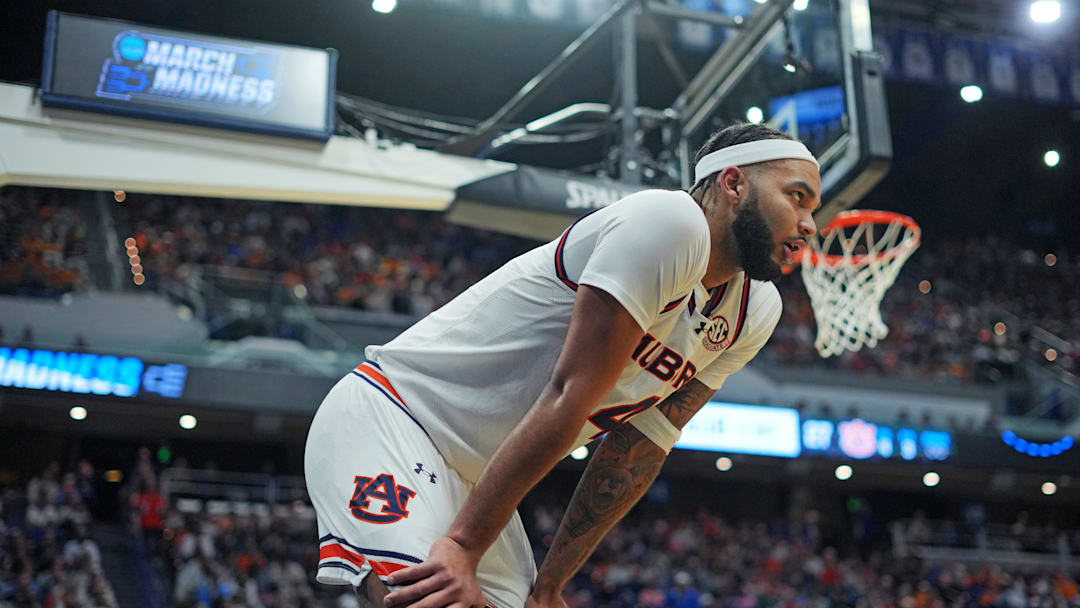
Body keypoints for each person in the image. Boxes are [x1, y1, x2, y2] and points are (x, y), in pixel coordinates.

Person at [304, 123, 820, 608]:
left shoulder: (755, 309)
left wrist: (549, 585)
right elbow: (571, 392)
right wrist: (462, 543)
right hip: (396, 419)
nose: (810, 225)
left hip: (478, 478)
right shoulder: (671, 222)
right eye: (797, 197)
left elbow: (637, 447)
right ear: (732, 183)